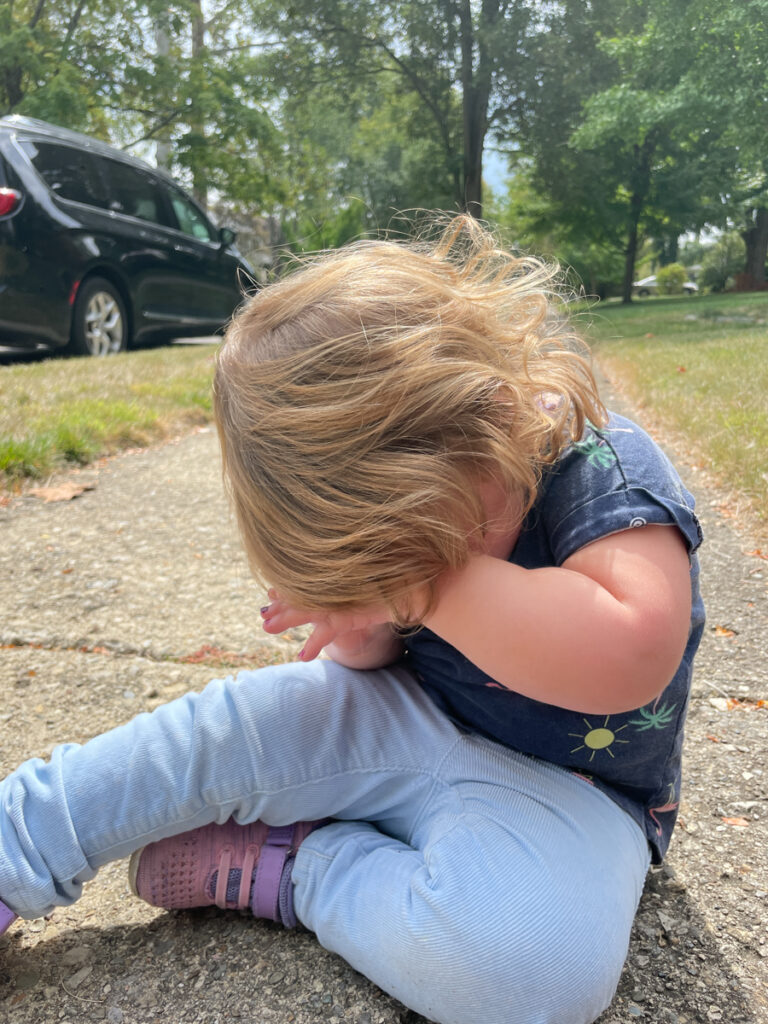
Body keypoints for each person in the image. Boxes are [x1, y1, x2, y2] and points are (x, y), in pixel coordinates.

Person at [0, 215, 704, 1024]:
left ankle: (303, 867)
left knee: (532, 974)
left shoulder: (602, 469)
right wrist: (367, 629)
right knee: (231, 729)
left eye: (423, 549)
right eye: (375, 567)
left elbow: (628, 650)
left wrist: (426, 590)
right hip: (412, 720)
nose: (408, 577)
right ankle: (22, 839)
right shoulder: (424, 525)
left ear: (492, 414)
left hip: (575, 793)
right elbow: (377, 661)